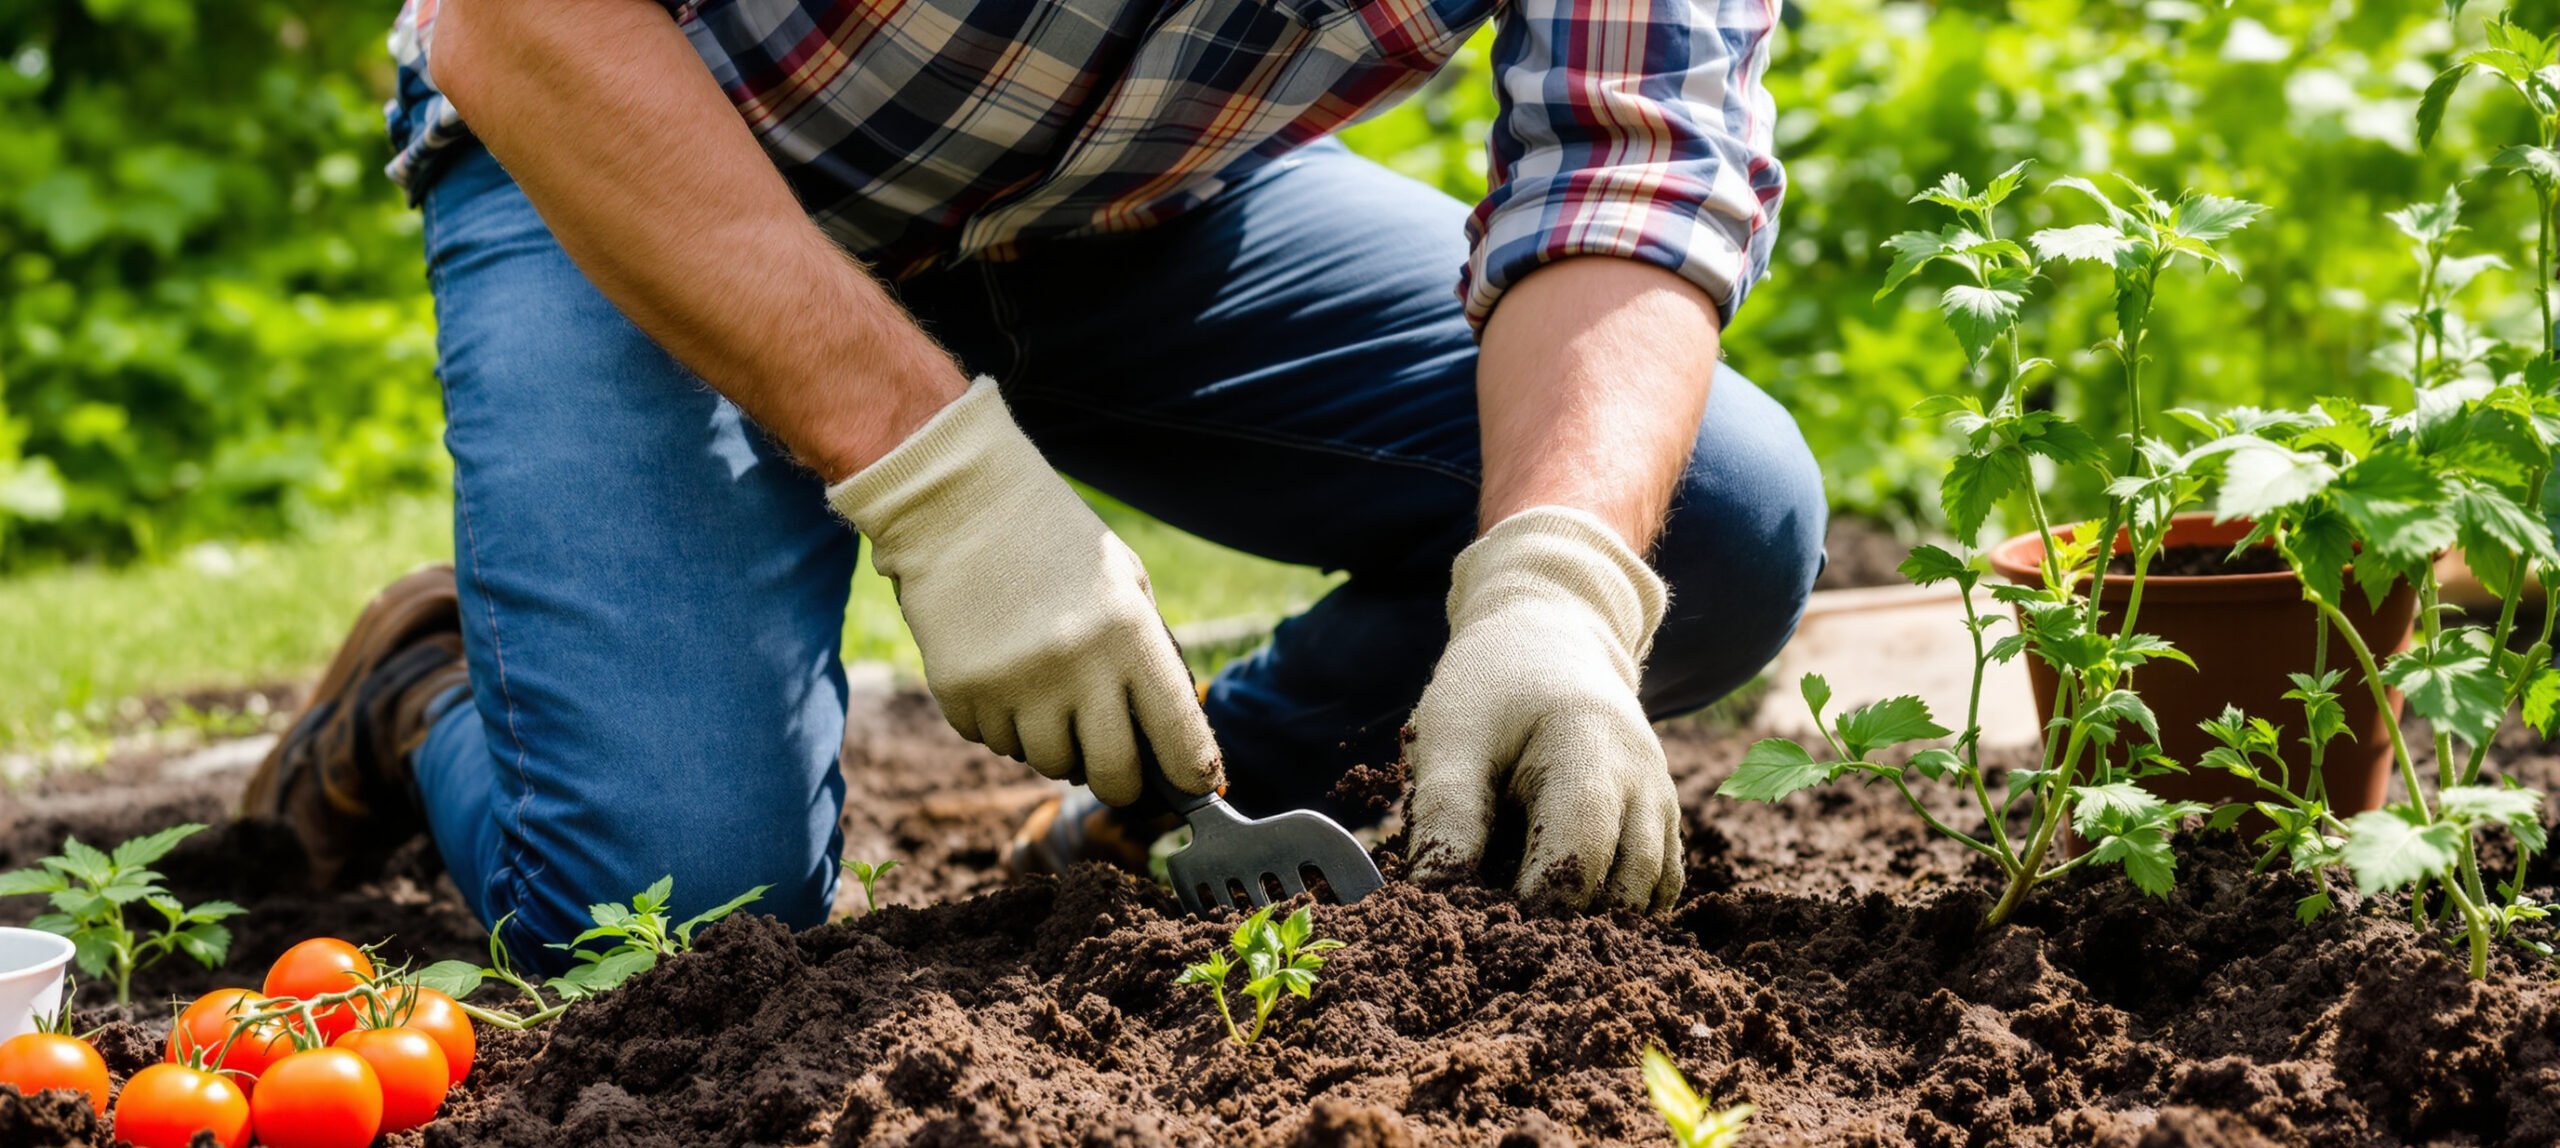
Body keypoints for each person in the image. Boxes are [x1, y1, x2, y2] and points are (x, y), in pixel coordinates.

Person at [244, 0, 1827, 971]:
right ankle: (430, 694)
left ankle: (1164, 812)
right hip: (658, 152)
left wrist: (1554, 583)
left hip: (1136, 204)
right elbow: (525, 21)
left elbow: (1638, 150)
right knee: (673, 918)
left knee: (1700, 522)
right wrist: (942, 489)